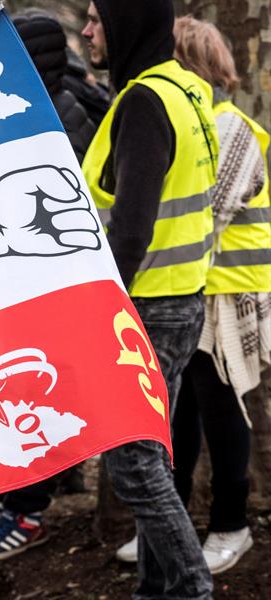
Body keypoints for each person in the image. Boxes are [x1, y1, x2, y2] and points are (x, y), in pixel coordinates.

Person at [80, 1, 217, 598]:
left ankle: (191, 588)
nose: (86, 31)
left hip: (145, 309)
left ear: (125, 23)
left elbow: (131, 228)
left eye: (95, 18)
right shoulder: (186, 88)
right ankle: (154, 591)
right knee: (152, 459)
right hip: (182, 299)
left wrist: (93, 311)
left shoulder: (143, 101)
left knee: (133, 466)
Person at [0, 9, 102, 564]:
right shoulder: (17, 105)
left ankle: (28, 510)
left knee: (28, 400)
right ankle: (2, 503)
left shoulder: (59, 114)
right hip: (4, 284)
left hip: (44, 289)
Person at [168, 15, 268, 575]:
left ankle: (232, 526)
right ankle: (175, 523)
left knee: (221, 408)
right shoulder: (199, 122)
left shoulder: (228, 127)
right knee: (181, 408)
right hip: (193, 287)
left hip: (224, 294)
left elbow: (209, 215)